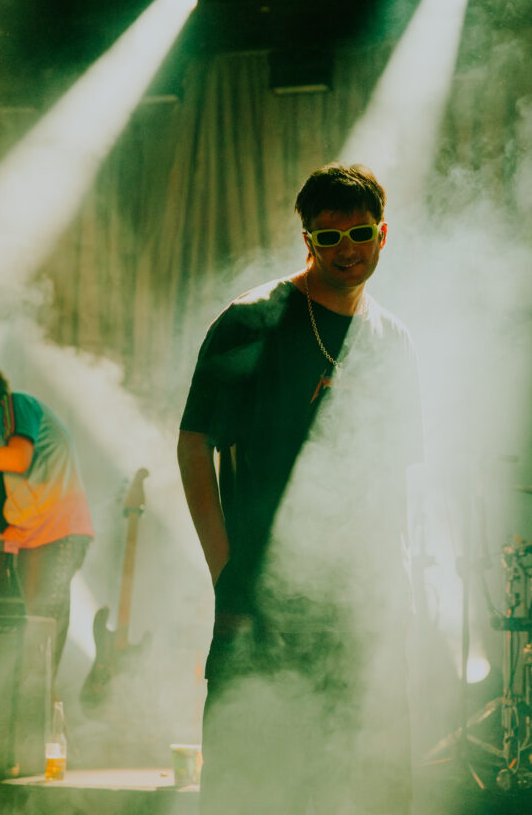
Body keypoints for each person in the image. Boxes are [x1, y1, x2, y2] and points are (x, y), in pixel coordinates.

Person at [178, 163, 424, 814]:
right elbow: (194, 443)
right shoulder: (252, 322)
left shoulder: (393, 341)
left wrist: (398, 580)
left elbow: (397, 472)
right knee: (252, 787)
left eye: (359, 233)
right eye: (328, 237)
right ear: (307, 240)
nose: (347, 249)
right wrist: (225, 570)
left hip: (360, 608)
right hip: (260, 601)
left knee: (363, 786)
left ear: (382, 234)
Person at [0, 370, 94, 683]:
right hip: (41, 535)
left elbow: (18, 459)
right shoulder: (5, 428)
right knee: (31, 626)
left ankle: (39, 702)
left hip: (57, 532)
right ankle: (32, 700)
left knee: (40, 626)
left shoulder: (15, 404)